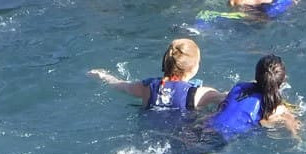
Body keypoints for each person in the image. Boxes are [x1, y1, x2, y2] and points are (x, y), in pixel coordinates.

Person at [91, 54, 299, 154]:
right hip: (216, 141)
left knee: (166, 152)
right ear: (281, 81)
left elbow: (228, 101)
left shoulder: (239, 87)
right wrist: (298, 138)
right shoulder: (275, 109)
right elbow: (283, 125)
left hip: (198, 126)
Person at [89, 37, 225, 114]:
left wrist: (103, 75)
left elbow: (121, 86)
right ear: (194, 67)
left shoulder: (148, 87)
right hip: (183, 138)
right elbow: (227, 98)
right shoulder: (199, 93)